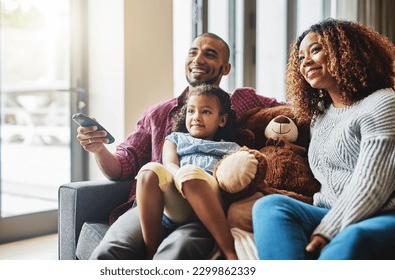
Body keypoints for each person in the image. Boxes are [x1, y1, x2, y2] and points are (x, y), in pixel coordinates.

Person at [77, 32, 286, 260]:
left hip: (203, 208)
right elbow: (121, 167)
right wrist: (98, 148)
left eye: (209, 54)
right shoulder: (158, 114)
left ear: (225, 68)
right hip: (151, 205)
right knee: (108, 253)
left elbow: (292, 113)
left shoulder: (243, 101)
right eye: (193, 52)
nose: (197, 59)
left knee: (175, 255)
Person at [252, 18, 395, 260]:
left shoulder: (383, 103)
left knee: (350, 239)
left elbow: (373, 185)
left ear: (345, 52)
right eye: (300, 58)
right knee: (269, 207)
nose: (305, 62)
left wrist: (328, 231)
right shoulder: (320, 115)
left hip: (379, 213)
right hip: (327, 211)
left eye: (315, 50)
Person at [137, 84, 241, 260]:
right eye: (191, 111)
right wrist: (179, 177)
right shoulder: (175, 139)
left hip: (210, 195)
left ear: (221, 120)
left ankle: (230, 252)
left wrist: (187, 175)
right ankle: (150, 253)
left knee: (190, 174)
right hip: (177, 199)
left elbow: (235, 175)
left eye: (206, 112)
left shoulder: (232, 148)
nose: (196, 117)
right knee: (148, 172)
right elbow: (169, 164)